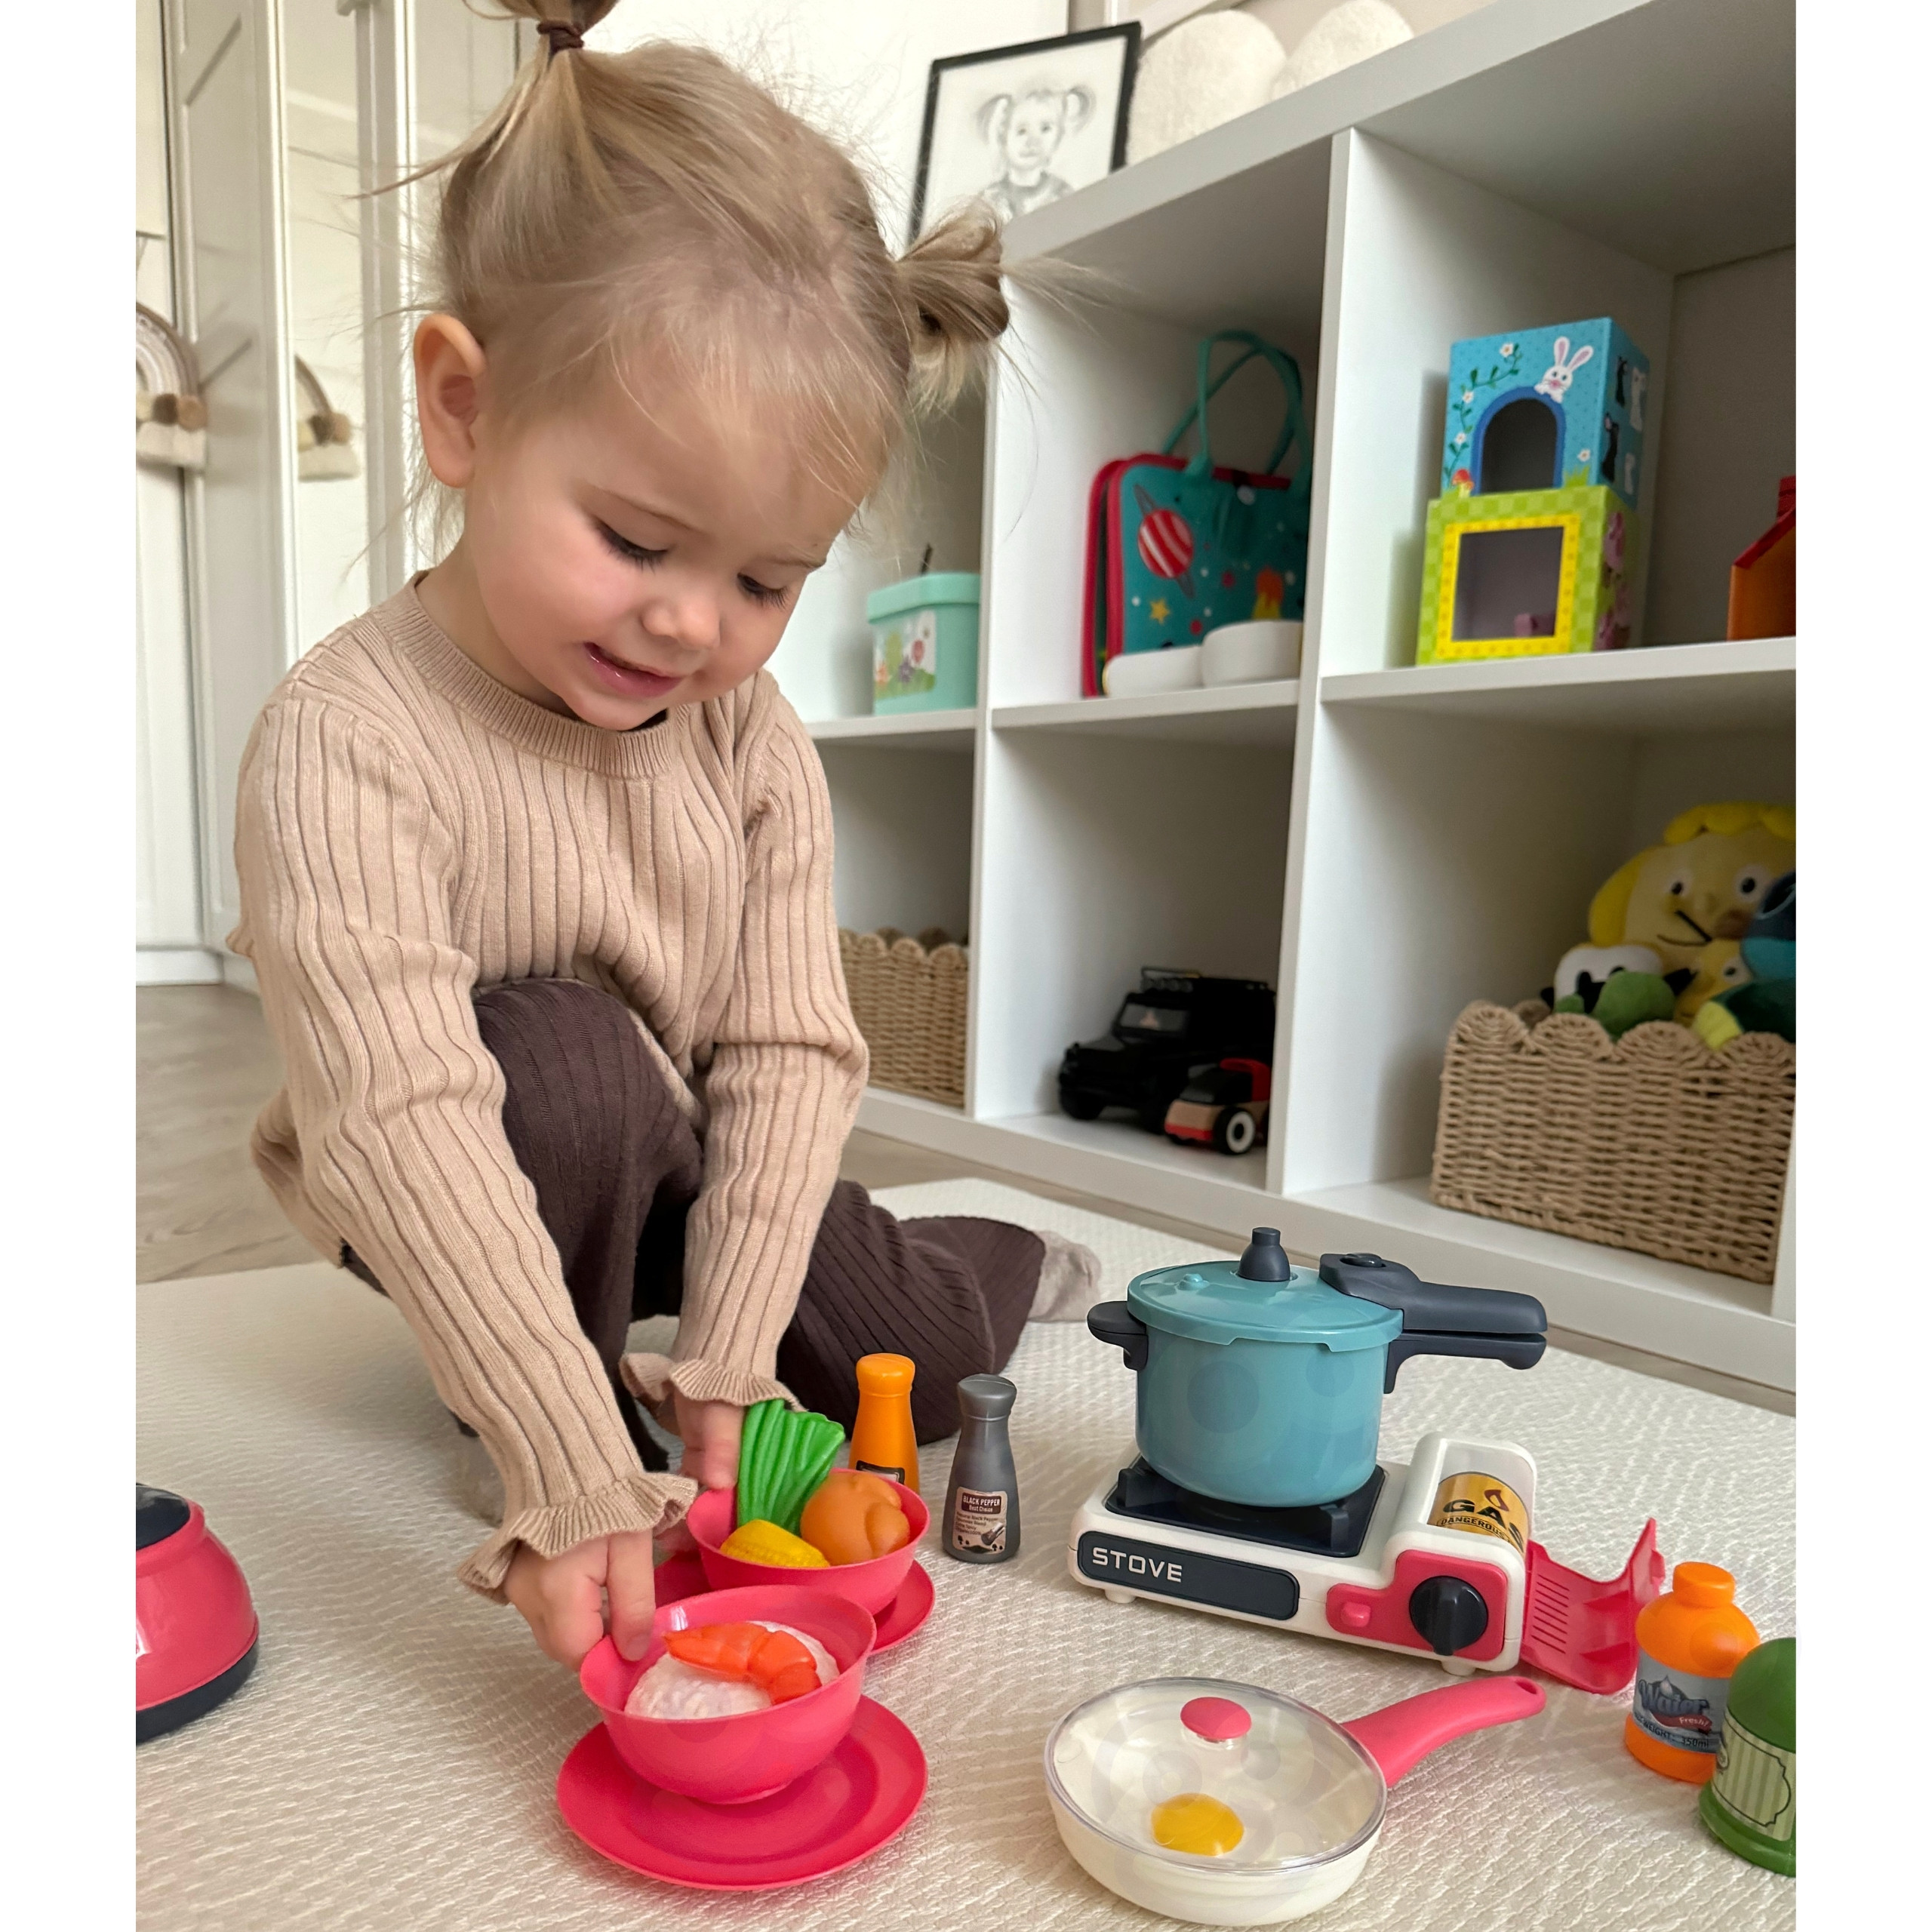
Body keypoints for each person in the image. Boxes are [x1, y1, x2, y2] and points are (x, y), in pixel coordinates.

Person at [229, 7, 1097, 1671]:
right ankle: (543, 1372)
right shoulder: (345, 739)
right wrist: (568, 1459)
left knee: (909, 1362)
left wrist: (730, 1355)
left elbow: (783, 1048)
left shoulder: (747, 736)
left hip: (691, 1142)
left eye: (766, 580)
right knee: (562, 1060)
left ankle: (995, 1252)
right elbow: (401, 1118)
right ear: (463, 410)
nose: (694, 623)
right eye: (635, 540)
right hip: (476, 1157)